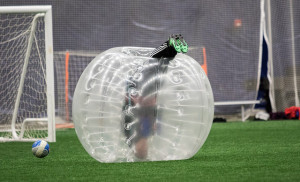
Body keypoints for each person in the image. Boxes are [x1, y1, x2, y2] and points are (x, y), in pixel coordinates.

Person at [123, 34, 188, 159]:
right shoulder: (142, 134)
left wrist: (133, 99)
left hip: (142, 90)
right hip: (146, 95)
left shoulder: (134, 136)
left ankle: (171, 44)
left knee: (155, 63)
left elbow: (131, 106)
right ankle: (172, 45)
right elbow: (147, 113)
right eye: (144, 151)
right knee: (159, 65)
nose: (144, 149)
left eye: (142, 150)